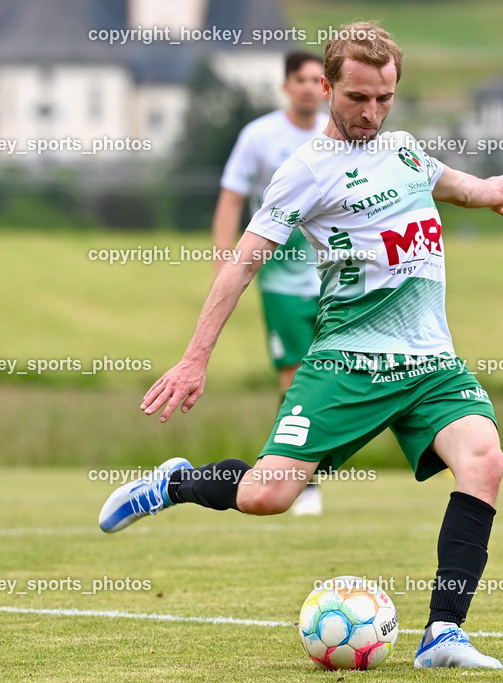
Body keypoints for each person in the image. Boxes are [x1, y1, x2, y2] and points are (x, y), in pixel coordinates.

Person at [100, 21, 503, 669]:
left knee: (484, 460)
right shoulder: (304, 172)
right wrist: (194, 356)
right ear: (326, 87)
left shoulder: (402, 149)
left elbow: (440, 179)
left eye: (383, 98)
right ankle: (177, 482)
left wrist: (484, 192)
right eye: (356, 98)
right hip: (347, 362)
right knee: (267, 496)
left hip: (432, 364)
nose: (370, 113)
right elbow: (243, 262)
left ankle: (443, 631)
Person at [212, 51, 328, 516]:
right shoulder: (258, 136)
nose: (307, 87)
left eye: (316, 80)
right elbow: (231, 198)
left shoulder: (336, 137)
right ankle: (304, 481)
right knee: (294, 379)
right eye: (299, 79)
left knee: (337, 373)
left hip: (333, 278)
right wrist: (225, 264)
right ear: (285, 86)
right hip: (280, 280)